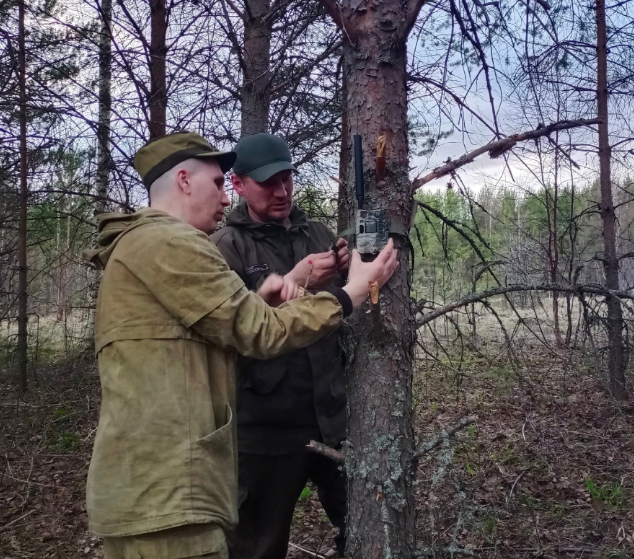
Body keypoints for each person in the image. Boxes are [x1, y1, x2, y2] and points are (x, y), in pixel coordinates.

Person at [83, 131, 398, 559]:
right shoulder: (174, 245)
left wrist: (279, 296)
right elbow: (258, 331)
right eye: (217, 184)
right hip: (176, 489)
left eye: (288, 178)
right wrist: (350, 293)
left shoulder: (151, 246)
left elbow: (218, 331)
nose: (224, 198)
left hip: (171, 489)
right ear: (183, 180)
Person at [211, 133, 349, 559]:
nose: (282, 191)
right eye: (269, 182)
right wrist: (296, 278)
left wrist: (350, 266)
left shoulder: (319, 233)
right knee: (257, 547)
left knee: (364, 526)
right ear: (238, 185)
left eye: (287, 178)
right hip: (264, 432)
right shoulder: (224, 248)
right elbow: (233, 331)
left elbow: (353, 304)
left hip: (333, 418)